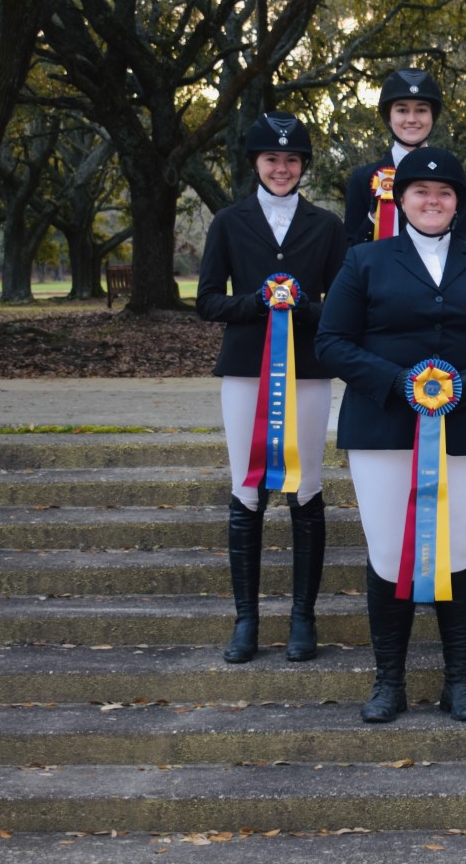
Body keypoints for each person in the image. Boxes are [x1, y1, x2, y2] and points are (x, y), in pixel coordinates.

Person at [316, 147, 466, 723]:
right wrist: (397, 382)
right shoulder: (364, 260)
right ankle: (389, 681)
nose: (432, 201)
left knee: (460, 550)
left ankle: (459, 681)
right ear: (401, 199)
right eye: (420, 192)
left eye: (444, 193)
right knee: (390, 552)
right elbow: (331, 341)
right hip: (383, 428)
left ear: (459, 203)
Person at [196, 111, 347, 665]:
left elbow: (342, 307)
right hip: (245, 372)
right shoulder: (228, 222)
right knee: (247, 488)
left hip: (307, 373)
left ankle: (303, 617)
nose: (281, 168)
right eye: (271, 159)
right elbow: (207, 300)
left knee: (304, 488)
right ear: (255, 163)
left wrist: (300, 306)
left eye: (291, 160)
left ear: (303, 165)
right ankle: (247, 620)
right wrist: (257, 302)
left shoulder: (326, 225)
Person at [343, 68, 466, 245]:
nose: (411, 119)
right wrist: (373, 219)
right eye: (402, 110)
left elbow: (459, 242)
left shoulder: (452, 173)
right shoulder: (363, 178)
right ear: (388, 116)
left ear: (433, 116)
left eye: (421, 110)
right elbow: (350, 248)